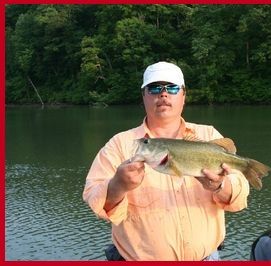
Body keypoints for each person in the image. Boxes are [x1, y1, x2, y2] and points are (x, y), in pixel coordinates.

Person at [82, 61, 250, 261]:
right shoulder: (120, 144)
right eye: (154, 88)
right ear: (143, 96)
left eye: (171, 87)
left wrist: (220, 185)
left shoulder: (208, 135)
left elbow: (240, 198)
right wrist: (118, 185)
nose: (163, 94)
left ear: (183, 95)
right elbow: (94, 199)